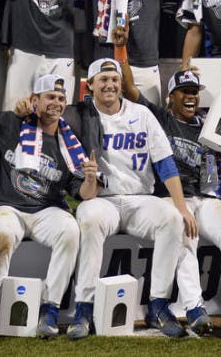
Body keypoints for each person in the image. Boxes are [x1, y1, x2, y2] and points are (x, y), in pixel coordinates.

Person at [115, 29, 221, 335]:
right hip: (168, 198)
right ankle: (195, 308)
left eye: (195, 91)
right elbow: (128, 89)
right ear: (171, 97)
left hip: (202, 197)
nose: (192, 96)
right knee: (186, 235)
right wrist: (122, 48)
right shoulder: (160, 119)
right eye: (185, 91)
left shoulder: (209, 127)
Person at [64, 58, 196, 339]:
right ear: (91, 86)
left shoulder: (142, 114)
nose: (110, 84)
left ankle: (158, 305)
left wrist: (182, 208)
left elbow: (165, 163)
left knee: (172, 219)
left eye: (114, 79)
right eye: (104, 80)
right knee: (88, 218)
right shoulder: (78, 116)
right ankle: (84, 309)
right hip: (103, 199)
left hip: (140, 199)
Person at [0, 74, 90, 340]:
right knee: (2, 236)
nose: (56, 102)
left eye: (61, 98)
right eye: (50, 97)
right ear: (34, 100)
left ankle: (50, 308)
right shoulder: (12, 123)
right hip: (8, 205)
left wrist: (90, 178)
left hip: (46, 209)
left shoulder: (69, 143)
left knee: (70, 232)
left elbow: (82, 193)